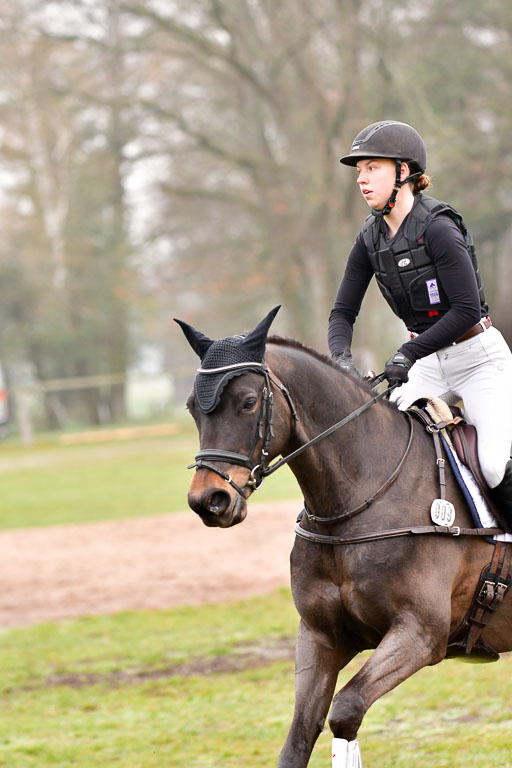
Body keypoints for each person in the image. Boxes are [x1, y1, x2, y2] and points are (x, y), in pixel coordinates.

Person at [328, 119, 512, 530]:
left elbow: (465, 310)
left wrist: (407, 353)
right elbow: (343, 313)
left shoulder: (440, 229)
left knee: (494, 466)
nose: (361, 179)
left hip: (479, 359)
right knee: (378, 447)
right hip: (426, 363)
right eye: (359, 171)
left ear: (403, 172)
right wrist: (341, 360)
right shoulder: (369, 239)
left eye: (372, 167)